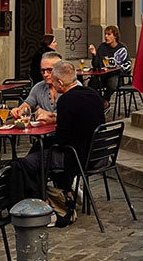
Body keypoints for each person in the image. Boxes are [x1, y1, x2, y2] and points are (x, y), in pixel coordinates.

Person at [20, 59, 106, 227]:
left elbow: (61, 139)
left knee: (28, 163)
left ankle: (51, 203)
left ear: (60, 82)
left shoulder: (66, 100)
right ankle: (64, 190)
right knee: (40, 148)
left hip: (77, 157)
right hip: (98, 153)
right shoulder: (93, 94)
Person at [12, 52, 62, 123]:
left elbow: (75, 116)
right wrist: (18, 111)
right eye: (43, 71)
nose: (45, 74)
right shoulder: (38, 87)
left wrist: (52, 117)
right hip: (43, 131)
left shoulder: (72, 88)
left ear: (60, 70)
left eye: (49, 70)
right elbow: (27, 105)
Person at [87, 25, 129, 102]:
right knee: (92, 83)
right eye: (105, 34)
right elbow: (96, 65)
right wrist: (94, 54)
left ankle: (105, 100)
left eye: (109, 34)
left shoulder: (122, 48)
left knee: (112, 83)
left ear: (115, 36)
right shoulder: (102, 47)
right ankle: (99, 101)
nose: (106, 36)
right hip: (103, 75)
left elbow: (127, 65)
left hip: (116, 75)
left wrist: (119, 69)